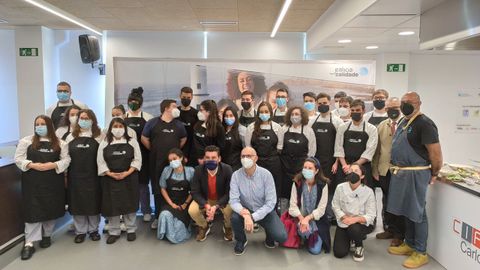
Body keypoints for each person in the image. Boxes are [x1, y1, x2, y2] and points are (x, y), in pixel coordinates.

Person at [387, 92, 442, 269]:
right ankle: (409, 243)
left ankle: (420, 251)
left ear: (419, 103)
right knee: (405, 211)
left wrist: (434, 172)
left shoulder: (425, 124)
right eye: (403, 102)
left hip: (416, 173)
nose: (405, 105)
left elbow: (435, 153)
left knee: (417, 213)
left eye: (410, 102)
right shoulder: (403, 121)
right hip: (402, 173)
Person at [14, 115, 70, 260]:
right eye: (37, 124)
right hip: (32, 182)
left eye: (43, 124)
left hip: (53, 182)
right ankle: (29, 243)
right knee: (33, 210)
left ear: (50, 126)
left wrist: (54, 165)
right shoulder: (26, 141)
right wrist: (32, 165)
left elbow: (66, 159)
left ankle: (47, 235)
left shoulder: (61, 143)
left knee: (51, 208)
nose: (39, 126)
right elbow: (18, 158)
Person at [229, 147, 287, 255]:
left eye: (249, 156)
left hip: (264, 210)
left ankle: (269, 235)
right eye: (243, 156)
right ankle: (241, 240)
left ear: (256, 158)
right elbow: (233, 200)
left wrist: (252, 217)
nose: (245, 158)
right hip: (245, 210)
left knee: (282, 237)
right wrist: (245, 214)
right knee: (234, 218)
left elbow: (271, 202)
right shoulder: (236, 176)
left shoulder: (266, 175)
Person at [142, 99, 187, 230]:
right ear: (166, 108)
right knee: (157, 189)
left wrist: (176, 153)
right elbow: (144, 138)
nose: (177, 108)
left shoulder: (179, 125)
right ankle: (157, 217)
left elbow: (183, 139)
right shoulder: (152, 123)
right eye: (174, 106)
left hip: (175, 163)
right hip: (156, 162)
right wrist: (154, 149)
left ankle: (176, 215)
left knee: (175, 187)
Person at [98, 118, 142, 244]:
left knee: (130, 203)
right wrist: (110, 173)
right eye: (115, 126)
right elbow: (100, 161)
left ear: (125, 128)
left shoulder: (132, 141)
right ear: (111, 128)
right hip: (109, 178)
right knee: (112, 205)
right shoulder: (105, 142)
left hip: (129, 176)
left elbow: (137, 159)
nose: (118, 129)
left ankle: (131, 230)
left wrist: (127, 173)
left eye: (120, 126)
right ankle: (114, 231)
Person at [65, 109, 103, 243]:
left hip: (94, 175)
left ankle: (93, 230)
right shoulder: (70, 137)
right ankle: (80, 231)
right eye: (81, 118)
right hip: (75, 176)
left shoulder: (100, 135)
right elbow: (65, 156)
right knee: (77, 203)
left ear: (92, 120)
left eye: (87, 118)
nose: (83, 120)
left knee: (93, 203)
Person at [372, 97, 405, 247]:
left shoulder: (407, 124)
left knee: (398, 202)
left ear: (401, 108)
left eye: (396, 107)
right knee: (387, 200)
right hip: (384, 170)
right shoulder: (382, 125)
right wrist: (375, 169)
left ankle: (400, 234)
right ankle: (389, 229)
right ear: (386, 110)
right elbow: (377, 150)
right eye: (389, 108)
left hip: (401, 171)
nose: (392, 110)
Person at [332, 163, 376, 262]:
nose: (352, 173)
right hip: (344, 221)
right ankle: (350, 238)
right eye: (351, 170)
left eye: (356, 171)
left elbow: (371, 215)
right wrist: (343, 218)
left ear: (362, 176)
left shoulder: (368, 192)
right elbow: (335, 206)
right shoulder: (340, 187)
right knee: (339, 253)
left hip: (360, 224)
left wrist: (354, 219)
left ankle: (359, 245)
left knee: (354, 229)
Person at [189, 145, 233, 242]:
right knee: (192, 210)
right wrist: (205, 204)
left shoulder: (227, 169)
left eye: (213, 158)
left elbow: (229, 193)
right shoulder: (198, 170)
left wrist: (216, 206)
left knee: (230, 210)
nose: (210, 160)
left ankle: (227, 227)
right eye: (207, 158)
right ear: (204, 158)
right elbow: (195, 192)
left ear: (219, 158)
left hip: (221, 199)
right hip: (206, 199)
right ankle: (204, 226)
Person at [311, 93, 344, 223]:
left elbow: (340, 144)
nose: (322, 105)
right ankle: (317, 213)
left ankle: (330, 215)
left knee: (331, 188)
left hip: (331, 161)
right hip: (316, 161)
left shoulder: (337, 121)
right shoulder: (312, 120)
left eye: (325, 103)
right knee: (317, 187)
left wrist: (336, 162)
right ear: (316, 104)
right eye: (320, 103)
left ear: (329, 103)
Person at [288, 157, 331, 255]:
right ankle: (304, 236)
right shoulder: (297, 182)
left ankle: (309, 237)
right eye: (305, 167)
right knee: (304, 232)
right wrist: (302, 219)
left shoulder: (323, 185)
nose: (306, 170)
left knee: (315, 251)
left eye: (310, 168)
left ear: (316, 171)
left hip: (317, 220)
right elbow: (292, 206)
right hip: (299, 217)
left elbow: (321, 209)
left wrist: (307, 219)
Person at [124, 87, 154, 222]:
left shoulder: (148, 118)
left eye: (136, 101)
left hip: (144, 157)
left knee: (143, 186)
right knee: (128, 186)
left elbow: (152, 138)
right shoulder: (122, 118)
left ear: (141, 103)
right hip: (126, 158)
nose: (133, 103)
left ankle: (146, 210)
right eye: (131, 101)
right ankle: (130, 211)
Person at [334, 99, 378, 190]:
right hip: (344, 167)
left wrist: (354, 166)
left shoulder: (372, 129)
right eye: (353, 110)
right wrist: (345, 165)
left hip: (363, 167)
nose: (355, 112)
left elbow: (369, 151)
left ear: (364, 111)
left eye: (358, 110)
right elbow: (339, 148)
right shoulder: (343, 127)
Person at [245, 101, 283, 199]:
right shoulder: (251, 128)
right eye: (261, 112)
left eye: (266, 111)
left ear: (270, 112)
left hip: (273, 164)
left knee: (274, 188)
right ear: (258, 114)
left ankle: (274, 210)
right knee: (257, 189)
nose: (264, 114)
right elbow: (248, 148)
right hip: (257, 164)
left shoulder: (277, 127)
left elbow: (280, 147)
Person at [157, 148, 195, 243]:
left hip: (184, 203)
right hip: (169, 202)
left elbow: (193, 190)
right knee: (164, 215)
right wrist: (171, 204)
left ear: (181, 158)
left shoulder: (190, 171)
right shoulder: (166, 170)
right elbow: (163, 188)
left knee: (179, 227)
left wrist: (185, 204)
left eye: (175, 158)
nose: (172, 161)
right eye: (170, 160)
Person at [278, 106, 316, 200]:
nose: (294, 116)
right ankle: (283, 214)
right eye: (292, 114)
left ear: (302, 116)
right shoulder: (284, 129)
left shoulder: (308, 130)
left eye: (297, 114)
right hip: (285, 167)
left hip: (300, 167)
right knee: (285, 194)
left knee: (299, 194)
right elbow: (279, 148)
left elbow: (312, 151)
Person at [193, 100, 226, 164]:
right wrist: (199, 157)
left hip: (211, 161)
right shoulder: (197, 125)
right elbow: (195, 143)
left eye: (201, 110)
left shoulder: (218, 127)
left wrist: (206, 158)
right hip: (197, 160)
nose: (199, 112)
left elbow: (220, 147)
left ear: (209, 112)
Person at [178, 86, 199, 166]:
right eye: (184, 97)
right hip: (178, 149)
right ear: (180, 96)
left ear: (192, 97)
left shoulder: (196, 114)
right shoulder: (175, 112)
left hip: (192, 150)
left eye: (188, 97)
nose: (186, 99)